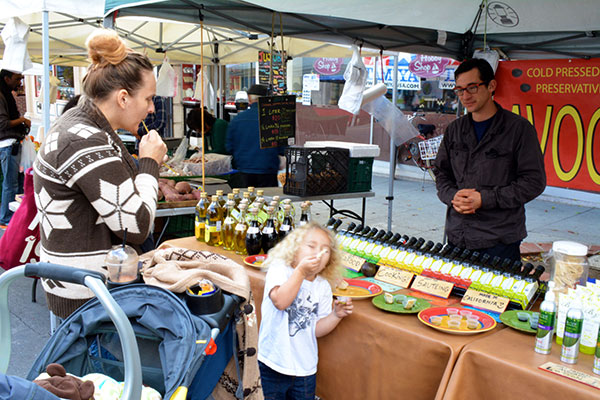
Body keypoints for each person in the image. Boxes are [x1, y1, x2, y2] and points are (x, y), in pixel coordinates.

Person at [33, 29, 167, 318]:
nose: (151, 109)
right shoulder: (85, 141)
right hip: (90, 297)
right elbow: (136, 226)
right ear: (123, 98)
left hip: (80, 286)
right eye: (148, 99)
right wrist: (149, 163)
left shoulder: (78, 125)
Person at [434, 58, 546, 262]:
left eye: (472, 88)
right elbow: (441, 173)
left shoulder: (519, 130)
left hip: (499, 240)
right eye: (459, 90)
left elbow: (533, 182)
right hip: (457, 236)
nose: (465, 96)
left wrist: (485, 199)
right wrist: (452, 196)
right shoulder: (455, 130)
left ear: (491, 86)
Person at [258, 222, 353, 399]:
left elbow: (315, 329)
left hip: (305, 369)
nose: (319, 253)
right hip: (273, 363)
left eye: (325, 250)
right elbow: (280, 301)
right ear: (294, 249)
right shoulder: (280, 269)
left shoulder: (322, 286)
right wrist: (301, 272)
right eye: (311, 246)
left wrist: (335, 315)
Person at [226, 84, 284, 188]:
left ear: (249, 99)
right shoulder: (275, 120)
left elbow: (229, 147)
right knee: (267, 198)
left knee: (246, 197)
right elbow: (283, 148)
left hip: (244, 171)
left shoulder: (237, 120)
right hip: (268, 171)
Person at [0, 69, 30, 228]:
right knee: (10, 184)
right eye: (17, 79)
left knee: (16, 183)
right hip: (7, 145)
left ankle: (13, 217)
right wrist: (22, 120)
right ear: (7, 78)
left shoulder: (6, 94)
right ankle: (6, 218)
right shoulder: (1, 96)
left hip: (11, 144)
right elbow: (3, 124)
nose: (20, 82)